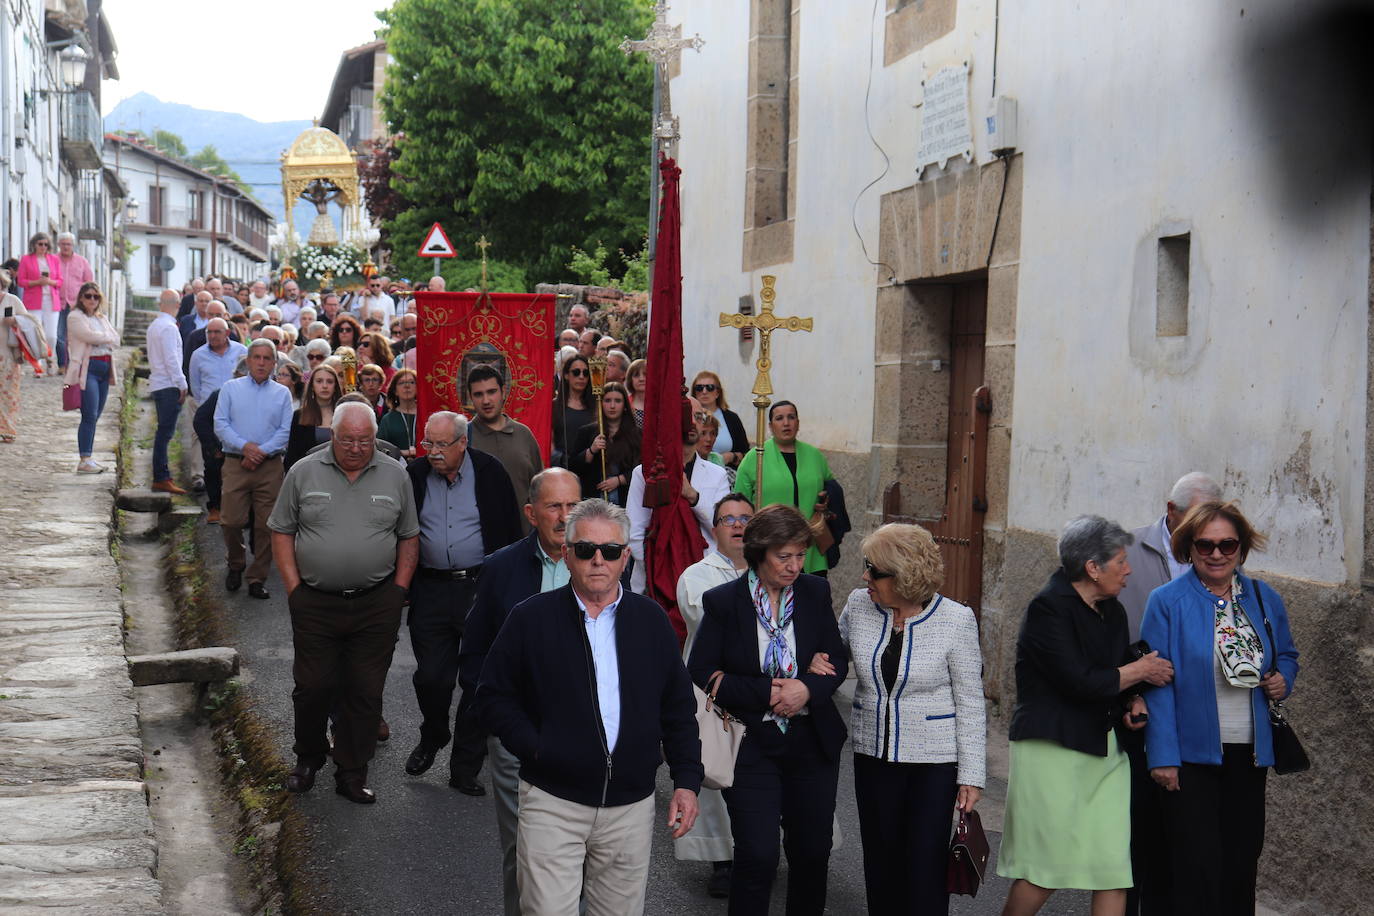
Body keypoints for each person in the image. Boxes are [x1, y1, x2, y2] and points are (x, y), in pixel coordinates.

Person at [479, 499, 703, 916]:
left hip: (631, 808)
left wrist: (686, 782)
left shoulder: (651, 621)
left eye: (610, 551)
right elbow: (492, 696)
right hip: (553, 802)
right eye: (585, 549)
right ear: (566, 554)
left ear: (625, 557)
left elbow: (678, 709)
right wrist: (538, 748)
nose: (598, 560)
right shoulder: (530, 618)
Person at [997, 516, 1174, 916]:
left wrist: (1132, 700)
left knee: (1113, 868)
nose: (1128, 570)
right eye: (1120, 562)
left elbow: (1110, 674)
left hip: (1104, 748)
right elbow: (1078, 680)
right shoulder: (1048, 608)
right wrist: (1141, 671)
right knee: (1046, 869)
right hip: (1053, 750)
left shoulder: (1110, 610)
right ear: (1092, 568)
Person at [687, 504, 847, 915]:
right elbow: (702, 671)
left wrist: (807, 688)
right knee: (757, 856)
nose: (795, 566)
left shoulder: (814, 593)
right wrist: (768, 691)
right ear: (759, 553)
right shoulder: (724, 602)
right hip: (752, 744)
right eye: (784, 556)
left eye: (800, 555)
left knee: (812, 854)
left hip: (811, 743)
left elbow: (837, 662)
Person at [1141, 501, 1299, 916]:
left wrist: (1283, 679)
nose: (1216, 554)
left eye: (1227, 545)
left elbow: (1287, 655)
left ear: (1241, 549)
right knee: (1195, 868)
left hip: (1249, 755)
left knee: (1241, 865)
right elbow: (1156, 685)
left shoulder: (1264, 599)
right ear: (1188, 549)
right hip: (1190, 758)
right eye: (1205, 545)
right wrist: (1162, 756)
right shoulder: (1166, 601)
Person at [829, 522, 985, 916]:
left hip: (933, 764)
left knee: (925, 867)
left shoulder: (956, 620)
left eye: (874, 571)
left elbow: (970, 700)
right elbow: (831, 659)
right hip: (873, 756)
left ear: (903, 576)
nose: (865, 577)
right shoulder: (859, 605)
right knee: (880, 863)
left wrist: (971, 775)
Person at [268, 402, 419, 805]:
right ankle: (309, 758)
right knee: (313, 685)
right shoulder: (303, 471)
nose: (356, 448)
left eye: (365, 440)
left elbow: (409, 535)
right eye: (348, 439)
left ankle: (353, 772)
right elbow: (281, 530)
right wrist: (294, 587)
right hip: (315, 601)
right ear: (332, 435)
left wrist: (398, 590)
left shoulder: (395, 474)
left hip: (375, 604)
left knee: (365, 690)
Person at [459, 468, 583, 916]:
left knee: (581, 850)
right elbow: (474, 652)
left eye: (573, 506)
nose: (565, 517)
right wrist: (496, 720)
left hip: (585, 735)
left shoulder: (600, 563)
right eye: (554, 506)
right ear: (532, 513)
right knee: (525, 849)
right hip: (518, 735)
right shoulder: (500, 568)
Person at [1116, 470, 1222, 916]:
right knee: (1136, 830)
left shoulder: (1217, 553)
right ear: (1170, 511)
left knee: (1182, 836)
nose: (1206, 535)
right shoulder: (1126, 548)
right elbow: (1104, 630)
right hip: (1136, 709)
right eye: (1193, 520)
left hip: (1194, 716)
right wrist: (1126, 691)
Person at [403, 411, 521, 795]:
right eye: (428, 443)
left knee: (478, 680)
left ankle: (464, 765)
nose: (433, 453)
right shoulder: (416, 475)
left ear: (462, 443)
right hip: (431, 588)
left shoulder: (490, 473)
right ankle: (434, 733)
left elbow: (508, 533)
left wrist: (505, 589)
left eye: (441, 445)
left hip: (478, 587)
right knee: (432, 677)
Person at [673, 493, 753, 897]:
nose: (737, 525)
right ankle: (724, 858)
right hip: (715, 693)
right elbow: (709, 623)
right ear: (715, 528)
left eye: (745, 518)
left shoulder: (772, 569)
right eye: (728, 519)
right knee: (720, 772)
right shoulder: (697, 575)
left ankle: (759, 850)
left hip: (762, 692)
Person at [214, 340, 294, 599]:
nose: (261, 362)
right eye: (256, 357)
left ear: (274, 363)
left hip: (269, 466)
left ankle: (257, 577)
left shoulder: (282, 394)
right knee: (230, 520)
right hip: (236, 462)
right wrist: (246, 447)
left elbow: (284, 431)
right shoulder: (230, 388)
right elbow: (220, 424)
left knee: (266, 525)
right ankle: (235, 563)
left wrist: (260, 452)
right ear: (248, 361)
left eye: (267, 358)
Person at [626, 397, 731, 594]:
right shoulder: (644, 473)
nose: (692, 422)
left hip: (706, 577)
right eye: (686, 416)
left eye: (699, 417)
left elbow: (722, 528)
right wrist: (658, 570)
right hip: (656, 580)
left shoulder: (717, 475)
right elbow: (634, 532)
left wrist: (694, 497)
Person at [734, 401, 835, 576]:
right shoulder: (755, 458)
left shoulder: (815, 456)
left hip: (811, 549)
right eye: (779, 418)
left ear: (798, 422)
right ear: (770, 426)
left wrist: (826, 499)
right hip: (771, 546)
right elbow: (740, 503)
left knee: (811, 597)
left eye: (791, 417)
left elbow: (832, 488)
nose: (786, 423)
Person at [465, 365, 543, 529]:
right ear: (470, 397)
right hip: (480, 540)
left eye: (491, 392)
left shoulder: (524, 434)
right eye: (479, 394)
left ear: (503, 391)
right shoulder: (463, 438)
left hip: (524, 537)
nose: (486, 400)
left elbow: (539, 488)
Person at [65, 283, 121, 475]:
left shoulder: (101, 318)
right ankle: (85, 458)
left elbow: (116, 339)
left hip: (105, 369)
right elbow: (88, 336)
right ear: (81, 298)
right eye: (88, 296)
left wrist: (104, 337)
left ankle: (89, 457)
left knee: (96, 415)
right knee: (88, 414)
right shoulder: (74, 317)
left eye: (96, 297)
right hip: (87, 370)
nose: (92, 300)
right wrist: (106, 337)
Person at [569, 380, 640, 505]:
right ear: (601, 404)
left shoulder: (636, 434)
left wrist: (619, 480)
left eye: (617, 401)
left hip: (626, 499)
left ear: (624, 405)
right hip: (593, 500)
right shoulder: (587, 432)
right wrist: (591, 451)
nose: (612, 406)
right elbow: (572, 467)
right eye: (607, 401)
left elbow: (642, 466)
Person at [146, 289, 189, 494]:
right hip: (168, 384)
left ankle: (162, 475)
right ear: (177, 304)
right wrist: (182, 383)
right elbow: (172, 359)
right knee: (165, 433)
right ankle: (161, 477)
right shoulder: (169, 328)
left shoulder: (156, 325)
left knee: (163, 432)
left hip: (158, 382)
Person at [0, 268, 44, 442]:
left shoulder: (12, 301)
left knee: (8, 393)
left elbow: (31, 323)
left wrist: (15, 321)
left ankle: (7, 429)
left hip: (8, 356)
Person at [16, 232, 62, 371]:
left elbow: (60, 281)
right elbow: (21, 281)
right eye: (40, 244)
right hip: (33, 301)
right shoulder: (26, 259)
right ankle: (38, 364)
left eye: (46, 244)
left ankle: (50, 358)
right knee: (35, 333)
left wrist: (50, 282)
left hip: (51, 301)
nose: (43, 247)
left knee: (51, 335)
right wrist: (37, 282)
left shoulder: (54, 260)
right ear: (34, 245)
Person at [285, 364, 342, 471]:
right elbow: (292, 454)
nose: (324, 386)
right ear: (312, 385)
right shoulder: (299, 415)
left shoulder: (344, 414)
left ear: (335, 386)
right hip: (309, 475)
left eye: (329, 382)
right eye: (319, 381)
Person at [692, 371, 750, 469]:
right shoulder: (687, 416)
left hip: (727, 472)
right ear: (694, 393)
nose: (704, 391)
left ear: (718, 393)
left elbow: (746, 453)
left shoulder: (732, 418)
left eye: (710, 387)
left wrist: (732, 457)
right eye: (699, 388)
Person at [54, 231, 93, 372]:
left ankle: (78, 363)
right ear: (58, 245)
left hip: (77, 304)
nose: (66, 247)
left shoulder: (82, 262)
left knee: (78, 335)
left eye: (68, 244)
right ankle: (63, 364)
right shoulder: (53, 260)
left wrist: (87, 301)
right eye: (63, 244)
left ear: (73, 245)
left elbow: (88, 282)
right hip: (57, 302)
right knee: (59, 335)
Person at [188, 319, 248, 402]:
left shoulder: (242, 351)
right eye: (209, 332)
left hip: (236, 404)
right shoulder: (198, 355)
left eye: (217, 332)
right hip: (208, 406)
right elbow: (195, 386)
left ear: (227, 333)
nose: (212, 336)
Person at [552, 354, 594, 468]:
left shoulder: (596, 407)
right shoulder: (554, 406)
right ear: (566, 375)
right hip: (561, 467)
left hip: (589, 467)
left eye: (585, 373)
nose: (581, 377)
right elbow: (549, 442)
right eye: (576, 372)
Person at [376, 369, 419, 458]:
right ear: (395, 390)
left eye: (411, 382)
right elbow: (379, 448)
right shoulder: (388, 419)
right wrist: (402, 453)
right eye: (401, 383)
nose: (407, 386)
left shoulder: (426, 416)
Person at [625, 358, 647, 427]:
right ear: (630, 379)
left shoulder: (659, 403)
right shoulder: (625, 404)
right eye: (636, 375)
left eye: (645, 374)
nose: (641, 379)